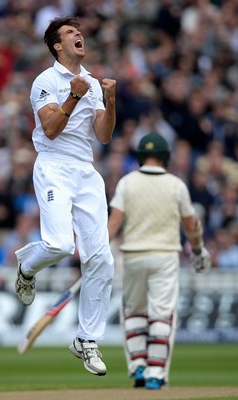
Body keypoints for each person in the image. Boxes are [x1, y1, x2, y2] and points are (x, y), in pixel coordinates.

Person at [14, 16, 116, 377]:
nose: (79, 36)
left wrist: (110, 100)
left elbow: (103, 136)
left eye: (79, 32)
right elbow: (52, 130)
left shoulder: (90, 81)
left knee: (101, 260)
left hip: (86, 171)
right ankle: (26, 268)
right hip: (54, 165)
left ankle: (87, 340)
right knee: (59, 245)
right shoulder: (46, 81)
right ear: (57, 45)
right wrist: (74, 95)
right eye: (71, 33)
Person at [108, 132, 211, 389]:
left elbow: (114, 223)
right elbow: (190, 223)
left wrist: (97, 252)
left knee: (133, 312)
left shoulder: (127, 182)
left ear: (140, 156)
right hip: (165, 255)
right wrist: (198, 249)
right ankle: (155, 373)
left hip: (132, 255)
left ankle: (138, 366)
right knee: (161, 315)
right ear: (166, 157)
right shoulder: (176, 185)